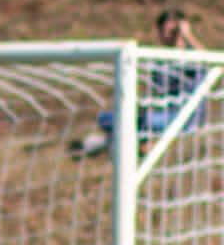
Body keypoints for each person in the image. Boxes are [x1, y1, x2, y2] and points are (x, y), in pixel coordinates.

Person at [81, 9, 207, 157]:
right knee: (106, 118)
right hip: (162, 112)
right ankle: (128, 144)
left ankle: (120, 145)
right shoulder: (159, 61)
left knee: (139, 121)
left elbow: (207, 61)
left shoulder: (190, 56)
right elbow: (158, 93)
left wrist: (188, 36)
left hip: (184, 116)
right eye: (164, 30)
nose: (168, 35)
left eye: (172, 30)